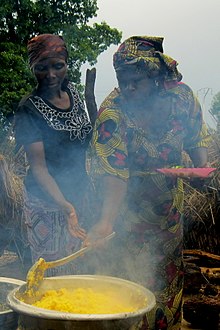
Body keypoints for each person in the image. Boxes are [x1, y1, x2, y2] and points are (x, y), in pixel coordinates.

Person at [84, 36, 211, 329]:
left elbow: (195, 135)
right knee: (129, 286)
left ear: (155, 77)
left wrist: (201, 167)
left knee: (166, 284)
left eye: (136, 81)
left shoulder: (181, 98)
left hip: (169, 213)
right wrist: (105, 223)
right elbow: (114, 174)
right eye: (121, 80)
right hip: (126, 215)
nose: (127, 88)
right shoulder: (113, 114)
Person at [14, 34, 93, 275]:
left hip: (77, 197)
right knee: (49, 271)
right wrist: (65, 207)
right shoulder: (28, 109)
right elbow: (38, 168)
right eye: (41, 68)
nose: (50, 75)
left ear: (66, 64)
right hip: (45, 203)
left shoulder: (75, 95)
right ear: (32, 69)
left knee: (76, 267)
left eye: (57, 66)